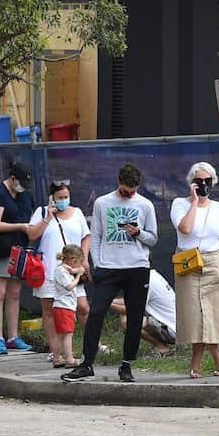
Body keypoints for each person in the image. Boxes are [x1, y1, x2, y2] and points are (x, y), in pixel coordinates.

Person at [62, 163, 158, 383]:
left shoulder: (145, 205)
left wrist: (138, 233)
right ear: (118, 183)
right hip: (109, 266)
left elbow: (153, 238)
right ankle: (86, 364)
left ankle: (127, 365)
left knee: (134, 318)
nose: (128, 195)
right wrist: (97, 263)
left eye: (132, 192)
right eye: (125, 191)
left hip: (137, 267)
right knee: (96, 313)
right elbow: (95, 235)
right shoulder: (102, 203)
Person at [170, 161, 219, 378]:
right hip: (188, 261)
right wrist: (194, 202)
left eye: (207, 181)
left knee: (213, 313)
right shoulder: (179, 204)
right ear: (191, 183)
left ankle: (212, 358)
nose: (203, 185)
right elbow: (185, 228)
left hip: (212, 259)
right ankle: (206, 357)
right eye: (199, 181)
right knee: (193, 313)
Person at [27, 178, 91, 358]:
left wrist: (83, 258)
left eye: (66, 196)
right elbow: (32, 234)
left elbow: (86, 236)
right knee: (49, 311)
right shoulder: (41, 212)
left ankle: (94, 343)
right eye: (60, 197)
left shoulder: (76, 212)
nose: (64, 200)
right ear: (52, 198)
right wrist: (48, 217)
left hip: (73, 269)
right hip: (49, 270)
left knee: (82, 307)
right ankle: (56, 352)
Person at [0, 161, 37, 354]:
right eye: (20, 181)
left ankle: (13, 336)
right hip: (1, 247)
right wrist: (21, 226)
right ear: (12, 178)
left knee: (15, 293)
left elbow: (31, 217)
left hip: (19, 247)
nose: (22, 185)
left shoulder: (25, 195)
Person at [113, 269, 177, 356]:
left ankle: (162, 348)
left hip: (172, 331)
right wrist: (109, 301)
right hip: (175, 328)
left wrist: (107, 304)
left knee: (127, 321)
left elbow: (133, 310)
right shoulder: (152, 275)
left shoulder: (145, 281)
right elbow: (130, 301)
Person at [48, 244, 85, 368]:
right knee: (68, 334)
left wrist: (77, 270)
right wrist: (78, 276)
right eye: (79, 263)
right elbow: (69, 286)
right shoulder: (61, 271)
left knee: (60, 334)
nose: (79, 266)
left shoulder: (64, 268)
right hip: (64, 307)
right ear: (73, 261)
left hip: (63, 307)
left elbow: (72, 270)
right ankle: (69, 359)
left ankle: (57, 358)